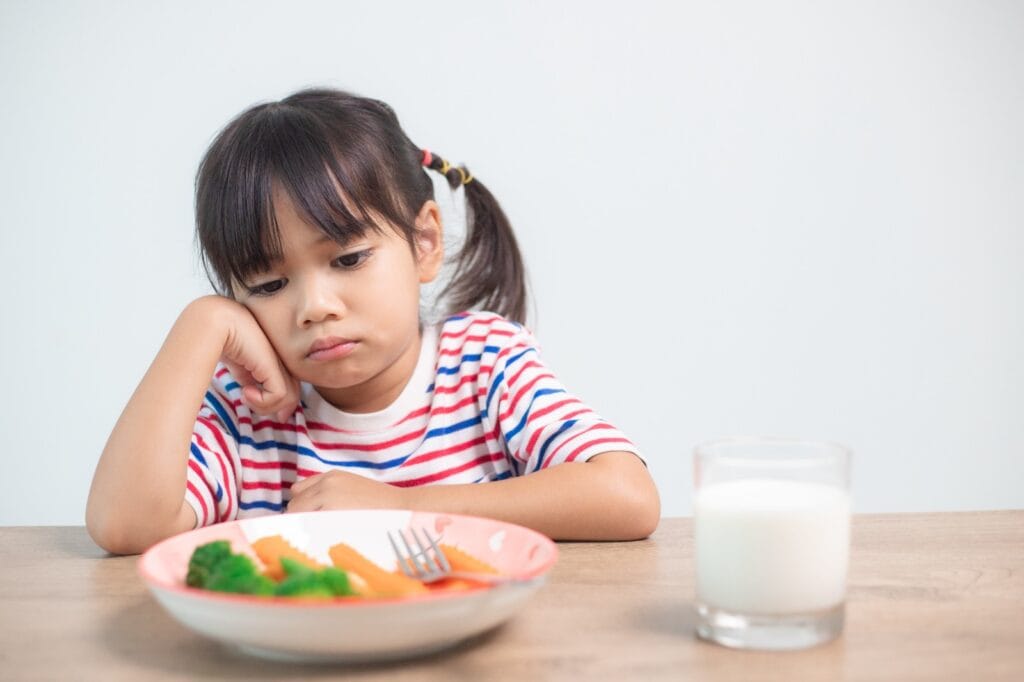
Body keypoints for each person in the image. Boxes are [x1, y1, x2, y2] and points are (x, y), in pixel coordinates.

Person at [85, 88, 660, 555]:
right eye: (268, 284)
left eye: (348, 259)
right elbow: (126, 527)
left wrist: (402, 507)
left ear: (424, 242)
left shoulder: (483, 364)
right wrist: (202, 324)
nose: (315, 306)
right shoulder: (247, 412)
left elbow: (627, 495)